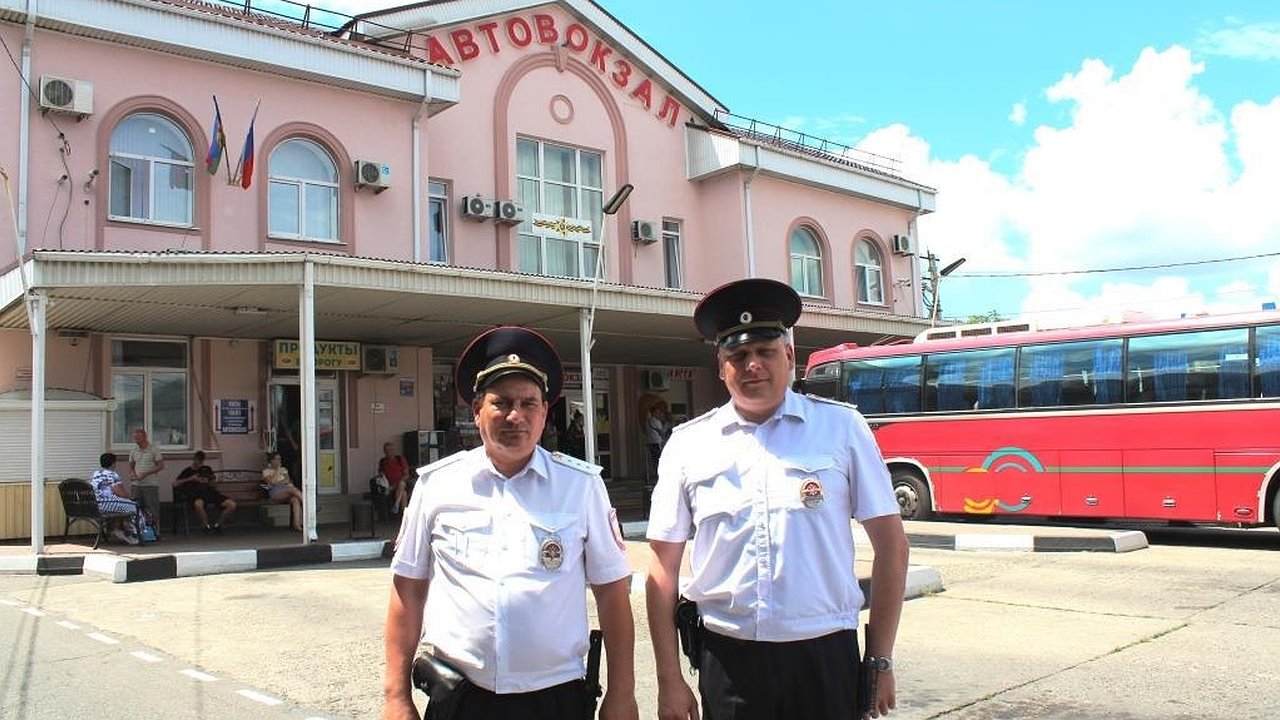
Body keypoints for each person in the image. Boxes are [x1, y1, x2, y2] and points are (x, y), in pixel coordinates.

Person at [645, 278, 911, 720]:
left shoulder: (842, 429)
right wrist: (669, 679)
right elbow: (661, 566)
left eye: (765, 352)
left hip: (824, 655)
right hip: (728, 660)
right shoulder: (688, 444)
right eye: (737, 356)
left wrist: (880, 659)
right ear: (721, 367)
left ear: (789, 357)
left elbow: (892, 547)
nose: (752, 366)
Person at [382, 326, 638, 720]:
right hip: (461, 698)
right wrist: (396, 697)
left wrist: (622, 693)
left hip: (555, 700)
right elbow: (408, 591)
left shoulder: (581, 487)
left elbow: (611, 594)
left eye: (529, 403)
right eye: (501, 403)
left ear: (545, 412)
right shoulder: (437, 485)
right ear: (477, 411)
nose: (515, 416)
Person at [173, 450, 236, 534]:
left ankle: (217, 525)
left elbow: (214, 485)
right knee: (198, 504)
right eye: (198, 460)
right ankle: (205, 527)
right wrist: (191, 479)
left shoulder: (207, 469)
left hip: (210, 493)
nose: (199, 462)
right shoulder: (187, 471)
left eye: (201, 460)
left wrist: (211, 480)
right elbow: (175, 483)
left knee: (231, 504)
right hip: (197, 494)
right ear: (194, 459)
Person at [90, 452, 140, 545]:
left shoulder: (95, 474)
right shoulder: (112, 474)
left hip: (95, 504)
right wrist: (130, 498)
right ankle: (129, 533)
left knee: (121, 504)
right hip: (107, 504)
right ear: (113, 463)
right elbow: (119, 492)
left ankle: (115, 530)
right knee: (133, 506)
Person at [262, 451, 304, 532]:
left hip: (286, 490)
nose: (279, 461)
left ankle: (297, 525)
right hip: (275, 492)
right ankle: (308, 505)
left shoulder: (284, 469)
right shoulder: (266, 471)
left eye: (280, 459)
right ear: (271, 461)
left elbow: (287, 480)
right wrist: (277, 470)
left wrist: (279, 482)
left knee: (295, 500)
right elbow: (271, 482)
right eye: (277, 459)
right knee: (293, 489)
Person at [378, 441, 412, 516]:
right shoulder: (383, 461)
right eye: (387, 450)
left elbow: (406, 475)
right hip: (388, 487)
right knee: (403, 493)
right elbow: (381, 475)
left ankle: (397, 505)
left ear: (394, 450)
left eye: (391, 450)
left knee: (403, 489)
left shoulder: (400, 459)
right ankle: (405, 518)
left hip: (401, 485)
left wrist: (394, 485)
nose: (389, 452)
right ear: (384, 451)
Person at [644, 404, 668, 481]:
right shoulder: (655, 421)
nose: (659, 414)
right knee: (659, 460)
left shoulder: (648, 421)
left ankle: (656, 476)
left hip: (651, 442)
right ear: (653, 413)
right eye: (657, 412)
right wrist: (667, 425)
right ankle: (660, 477)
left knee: (654, 460)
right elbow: (662, 432)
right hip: (657, 443)